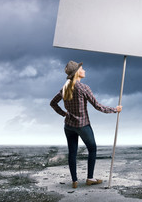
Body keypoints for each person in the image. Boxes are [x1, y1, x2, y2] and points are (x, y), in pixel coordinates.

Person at [50, 60, 122, 188]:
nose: (84, 70)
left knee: (72, 152)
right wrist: (115, 110)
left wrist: (64, 114)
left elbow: (53, 103)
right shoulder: (83, 88)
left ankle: (74, 181)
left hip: (68, 125)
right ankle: (90, 178)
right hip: (82, 125)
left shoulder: (65, 87)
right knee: (92, 149)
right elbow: (98, 106)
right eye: (81, 69)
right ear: (77, 73)